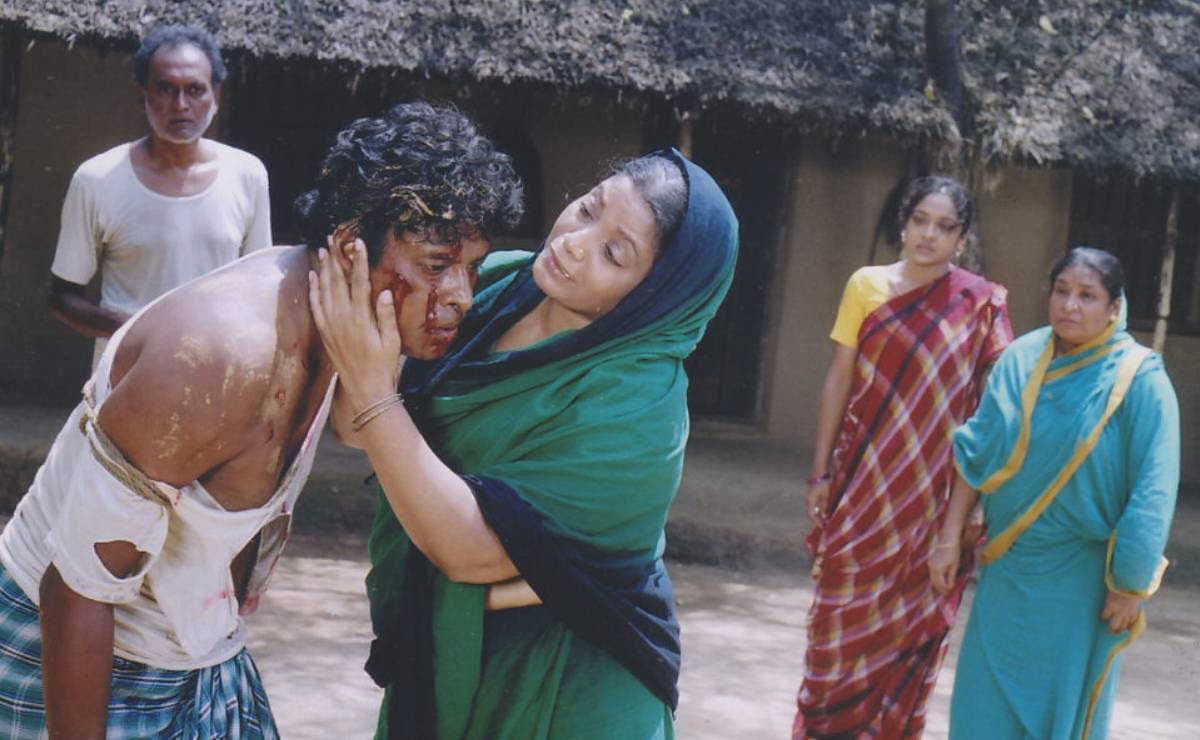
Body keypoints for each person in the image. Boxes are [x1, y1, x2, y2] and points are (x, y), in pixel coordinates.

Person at [0, 102, 522, 739]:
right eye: (437, 266)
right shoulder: (220, 358)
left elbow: (357, 430)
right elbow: (76, 589)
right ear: (349, 248)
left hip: (198, 652)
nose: (462, 296)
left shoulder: (343, 324)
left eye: (472, 267)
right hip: (69, 661)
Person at [309, 150, 737, 738]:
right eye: (588, 209)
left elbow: (468, 548)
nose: (575, 243)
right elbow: (361, 426)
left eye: (614, 253)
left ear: (656, 297)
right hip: (446, 658)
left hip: (572, 688)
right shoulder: (501, 283)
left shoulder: (640, 408)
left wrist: (373, 391)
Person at [793, 176, 1013, 738]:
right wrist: (820, 473)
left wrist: (968, 510)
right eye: (920, 221)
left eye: (944, 227)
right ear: (904, 222)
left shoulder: (980, 306)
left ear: (962, 238)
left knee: (909, 641)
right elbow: (839, 381)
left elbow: (992, 415)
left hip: (933, 504)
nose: (929, 235)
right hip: (861, 491)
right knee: (834, 636)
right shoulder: (866, 285)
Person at [930, 247, 1179, 740]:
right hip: (1008, 571)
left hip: (1080, 584)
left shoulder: (1140, 380)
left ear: (1114, 307)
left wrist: (1129, 585)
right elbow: (976, 454)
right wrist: (949, 535)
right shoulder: (1020, 360)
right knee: (983, 709)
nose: (1070, 306)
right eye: (1062, 291)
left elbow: (1153, 492)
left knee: (1058, 715)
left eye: (1087, 296)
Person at [49, 24, 272, 369]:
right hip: (125, 379)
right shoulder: (97, 179)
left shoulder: (247, 175)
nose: (180, 105)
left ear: (215, 95)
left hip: (215, 379)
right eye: (165, 89)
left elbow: (260, 290)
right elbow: (63, 297)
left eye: (195, 89)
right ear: (142, 96)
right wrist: (141, 332)